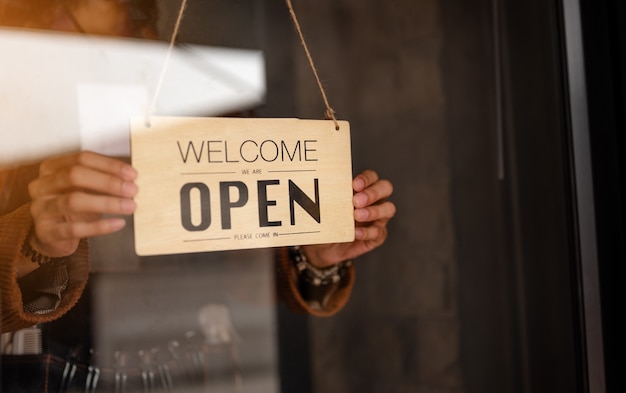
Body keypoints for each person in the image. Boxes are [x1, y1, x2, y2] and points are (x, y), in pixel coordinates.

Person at [0, 0, 396, 333]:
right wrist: (36, 246)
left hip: (195, 350)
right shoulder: (15, 81)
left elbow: (244, 275)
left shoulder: (199, 88)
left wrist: (310, 250)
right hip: (46, 358)